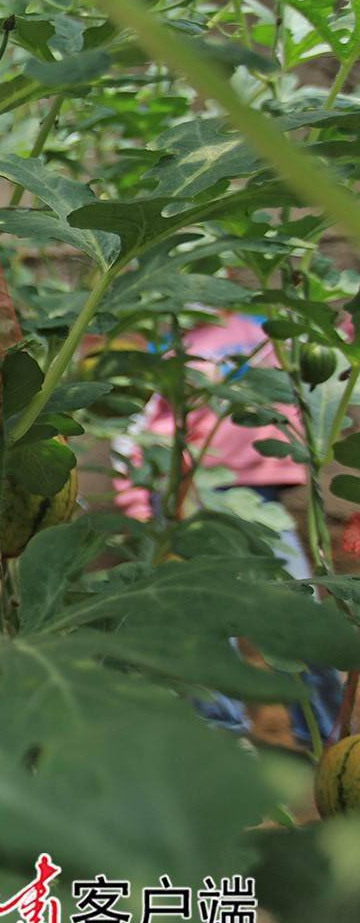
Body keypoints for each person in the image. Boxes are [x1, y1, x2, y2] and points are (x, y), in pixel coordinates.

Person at [109, 310, 344, 748]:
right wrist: (137, 505)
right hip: (197, 492)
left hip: (260, 492)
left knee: (297, 603)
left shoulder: (268, 328)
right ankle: (221, 734)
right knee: (205, 615)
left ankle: (329, 731)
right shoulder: (174, 344)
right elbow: (137, 436)